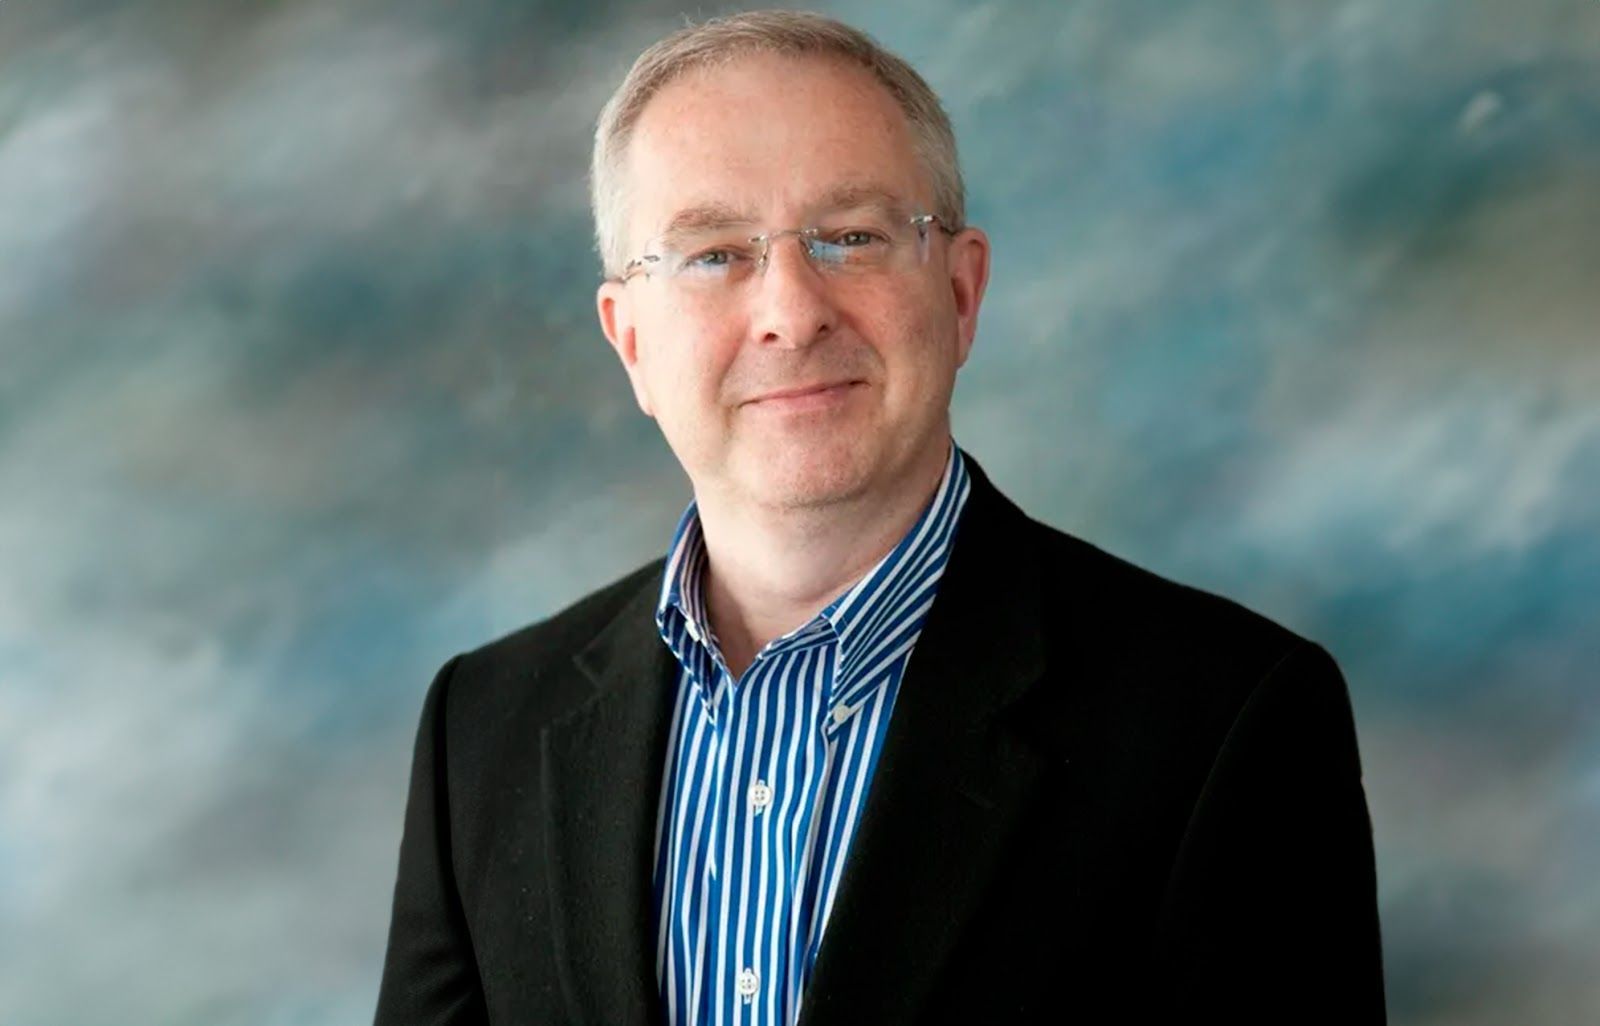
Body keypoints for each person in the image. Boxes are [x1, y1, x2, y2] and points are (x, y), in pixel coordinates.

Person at [373, 10, 1386, 1025]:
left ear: (960, 291)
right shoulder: (486, 728)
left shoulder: (1224, 720)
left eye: (850, 238)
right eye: (714, 254)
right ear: (629, 338)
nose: (791, 310)